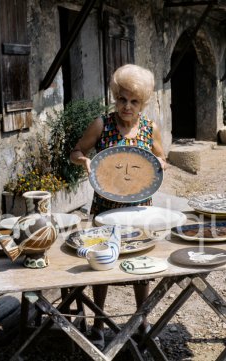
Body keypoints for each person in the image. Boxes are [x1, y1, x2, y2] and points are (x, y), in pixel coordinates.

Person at [70, 64, 167, 350]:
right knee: (101, 265)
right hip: (105, 208)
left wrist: (160, 163)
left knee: (141, 264)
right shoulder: (102, 124)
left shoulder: (150, 129)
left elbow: (162, 158)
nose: (127, 106)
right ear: (115, 97)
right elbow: (76, 151)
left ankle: (142, 321)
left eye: (134, 101)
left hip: (140, 208)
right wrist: (84, 161)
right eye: (122, 99)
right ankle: (99, 324)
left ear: (143, 103)